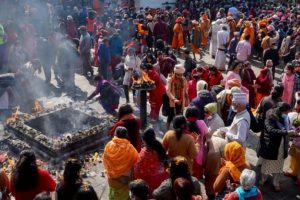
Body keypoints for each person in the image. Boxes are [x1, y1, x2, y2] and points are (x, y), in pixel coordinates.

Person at [258, 103, 296, 191]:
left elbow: (288, 127)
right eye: (286, 112)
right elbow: (271, 130)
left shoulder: (285, 118)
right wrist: (286, 132)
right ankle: (264, 179)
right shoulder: (270, 117)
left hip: (282, 146)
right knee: (267, 164)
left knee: (279, 166)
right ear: (280, 111)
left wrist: (293, 130)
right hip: (271, 146)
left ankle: (276, 182)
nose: (286, 114)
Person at [103, 126, 139, 200]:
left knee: (113, 192)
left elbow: (105, 160)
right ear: (126, 135)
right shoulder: (130, 148)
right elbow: (137, 161)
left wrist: (113, 170)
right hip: (125, 178)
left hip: (111, 176)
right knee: (123, 196)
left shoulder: (109, 145)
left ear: (115, 134)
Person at [134, 128, 168, 194]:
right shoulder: (159, 146)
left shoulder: (144, 153)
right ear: (154, 137)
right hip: (162, 179)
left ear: (144, 141)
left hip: (150, 184)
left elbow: (137, 173)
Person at [185, 107, 208, 179]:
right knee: (196, 177)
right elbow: (206, 134)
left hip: (187, 155)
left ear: (186, 115)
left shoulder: (184, 124)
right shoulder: (202, 123)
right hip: (199, 154)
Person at [166, 64, 189, 129]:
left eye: (181, 74)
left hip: (181, 100)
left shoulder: (183, 79)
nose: (180, 76)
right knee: (171, 115)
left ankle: (178, 129)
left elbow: (186, 89)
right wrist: (174, 99)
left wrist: (186, 98)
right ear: (175, 73)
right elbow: (168, 91)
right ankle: (167, 129)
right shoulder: (170, 79)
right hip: (172, 101)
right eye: (178, 74)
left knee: (180, 115)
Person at [286, 96, 300, 185]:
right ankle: (294, 172)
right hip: (296, 140)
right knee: (294, 157)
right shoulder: (298, 114)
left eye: (298, 105)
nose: (296, 107)